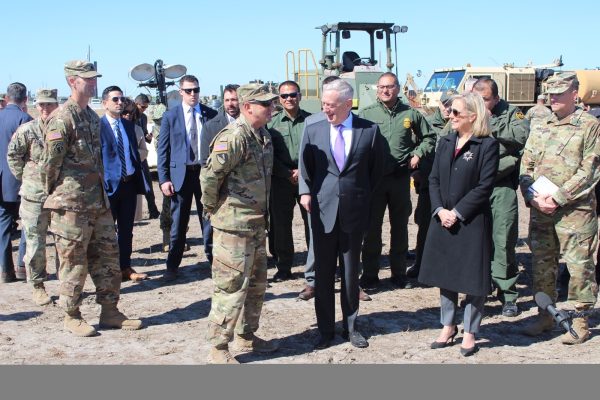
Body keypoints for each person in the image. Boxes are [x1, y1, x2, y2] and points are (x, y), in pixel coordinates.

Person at [42, 60, 142, 336]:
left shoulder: (90, 117)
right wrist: (58, 198)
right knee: (74, 262)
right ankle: (71, 315)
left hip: (98, 202)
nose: (93, 82)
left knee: (108, 258)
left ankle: (110, 311)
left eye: (95, 77)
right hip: (71, 206)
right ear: (72, 82)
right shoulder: (63, 119)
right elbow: (49, 165)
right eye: (87, 78)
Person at [299, 79, 384, 350]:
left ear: (348, 104)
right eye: (324, 104)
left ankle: (352, 327)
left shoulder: (369, 131)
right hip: (322, 211)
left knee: (350, 274)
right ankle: (325, 331)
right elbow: (305, 166)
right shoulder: (312, 127)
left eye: (332, 106)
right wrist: (305, 192)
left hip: (354, 213)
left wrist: (364, 199)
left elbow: (377, 172)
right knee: (323, 274)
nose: (326, 110)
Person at [519, 72, 600, 344]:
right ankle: (545, 314)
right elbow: (526, 164)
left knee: (579, 265)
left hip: (575, 211)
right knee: (542, 263)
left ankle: (581, 319)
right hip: (540, 209)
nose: (553, 97)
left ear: (574, 94)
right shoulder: (541, 124)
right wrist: (532, 196)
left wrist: (559, 198)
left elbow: (590, 170)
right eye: (550, 92)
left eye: (559, 92)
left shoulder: (589, 125)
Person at [201, 83, 279, 364]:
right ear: (248, 107)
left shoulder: (262, 135)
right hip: (233, 227)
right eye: (265, 105)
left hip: (256, 224)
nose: (272, 109)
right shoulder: (233, 137)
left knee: (257, 284)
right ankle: (218, 346)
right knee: (230, 286)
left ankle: (247, 335)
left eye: (272, 104)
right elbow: (209, 178)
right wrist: (213, 210)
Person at [418, 92, 499, 357]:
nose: (450, 116)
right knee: (446, 274)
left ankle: (470, 331)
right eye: (450, 111)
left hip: (471, 221)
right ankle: (448, 325)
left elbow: (484, 186)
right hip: (443, 219)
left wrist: (458, 211)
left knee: (474, 279)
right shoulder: (445, 141)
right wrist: (440, 210)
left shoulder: (486, 145)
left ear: (472, 117)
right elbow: (433, 180)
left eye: (456, 113)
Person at [359, 72, 435, 289]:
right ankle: (370, 275)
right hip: (374, 181)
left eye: (390, 86)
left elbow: (429, 138)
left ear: (398, 88)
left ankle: (399, 273)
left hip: (400, 179)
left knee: (400, 227)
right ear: (377, 88)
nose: (385, 90)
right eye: (382, 87)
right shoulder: (366, 114)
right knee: (371, 228)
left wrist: (418, 154)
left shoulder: (410, 114)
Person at [473, 77, 529, 317]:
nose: (481, 104)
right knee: (475, 241)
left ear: (496, 98)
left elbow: (521, 138)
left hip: (501, 186)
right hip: (473, 187)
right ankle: (477, 290)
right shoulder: (466, 110)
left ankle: (507, 293)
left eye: (485, 99)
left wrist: (489, 124)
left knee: (503, 239)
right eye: (477, 99)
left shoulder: (511, 113)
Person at [157, 75, 217, 281]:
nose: (193, 94)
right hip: (180, 177)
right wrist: (164, 178)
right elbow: (162, 150)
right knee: (178, 223)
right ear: (181, 92)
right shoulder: (170, 116)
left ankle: (213, 262)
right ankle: (172, 265)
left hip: (204, 175)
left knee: (208, 220)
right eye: (189, 90)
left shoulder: (210, 114)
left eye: (196, 90)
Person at [7, 89, 59, 304]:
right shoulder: (27, 130)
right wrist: (28, 178)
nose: (45, 109)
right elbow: (13, 156)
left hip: (59, 195)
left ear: (56, 105)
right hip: (33, 197)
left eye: (50, 104)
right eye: (41, 105)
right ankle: (38, 284)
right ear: (35, 107)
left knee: (63, 243)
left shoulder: (63, 129)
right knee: (35, 243)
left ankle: (66, 284)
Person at [99, 86, 148, 283]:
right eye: (115, 99)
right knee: (107, 232)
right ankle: (108, 271)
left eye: (121, 99)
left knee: (127, 230)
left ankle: (125, 267)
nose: (120, 103)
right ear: (105, 103)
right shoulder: (98, 128)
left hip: (128, 185)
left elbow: (135, 154)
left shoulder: (128, 126)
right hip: (108, 188)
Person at [267, 81, 311, 282]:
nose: (289, 99)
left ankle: (316, 265)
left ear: (299, 96)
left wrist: (301, 171)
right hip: (281, 180)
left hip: (308, 180)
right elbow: (267, 155)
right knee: (281, 226)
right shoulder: (272, 124)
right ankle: (284, 267)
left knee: (312, 224)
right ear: (279, 99)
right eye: (284, 96)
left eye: (292, 95)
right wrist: (286, 173)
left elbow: (318, 150)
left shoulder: (312, 121)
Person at [0, 82, 31, 283]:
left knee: (2, 225)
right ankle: (21, 266)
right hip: (20, 181)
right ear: (25, 99)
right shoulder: (25, 119)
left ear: (6, 98)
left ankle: (5, 270)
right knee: (28, 224)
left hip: (2, 180)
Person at [133, 93, 160, 219]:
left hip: (141, 155)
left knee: (148, 183)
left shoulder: (143, 118)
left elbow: (143, 136)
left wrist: (148, 137)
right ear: (136, 104)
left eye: (145, 107)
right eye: (142, 107)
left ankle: (153, 210)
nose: (144, 109)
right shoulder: (126, 116)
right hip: (129, 156)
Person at [199, 84, 240, 167]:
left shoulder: (254, 123)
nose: (230, 104)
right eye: (227, 100)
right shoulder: (210, 127)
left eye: (234, 100)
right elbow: (205, 161)